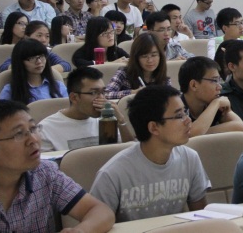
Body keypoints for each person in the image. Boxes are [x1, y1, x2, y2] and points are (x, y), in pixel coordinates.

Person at [0, 100, 115, 232]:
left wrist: (81, 231)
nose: (33, 140)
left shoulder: (44, 172)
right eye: (18, 134)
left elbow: (100, 211)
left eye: (33, 129)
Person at [90, 85, 211, 222]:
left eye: (185, 112)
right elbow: (96, 224)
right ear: (154, 127)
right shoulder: (112, 174)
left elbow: (201, 217)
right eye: (179, 116)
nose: (188, 120)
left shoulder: (190, 158)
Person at [39, 67, 134, 151]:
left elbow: (130, 152)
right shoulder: (46, 129)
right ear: (74, 98)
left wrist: (120, 120)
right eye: (93, 93)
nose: (101, 98)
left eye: (103, 92)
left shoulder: (108, 120)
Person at [178, 56, 243, 135]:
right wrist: (216, 104)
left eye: (219, 81)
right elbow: (189, 134)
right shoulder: (175, 108)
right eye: (214, 80)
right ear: (194, 85)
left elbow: (239, 126)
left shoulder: (215, 103)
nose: (219, 87)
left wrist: (200, 132)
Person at [0, 39, 68, 103]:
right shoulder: (10, 91)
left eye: (42, 56)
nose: (39, 62)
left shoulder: (58, 86)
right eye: (32, 58)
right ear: (20, 62)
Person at [105, 33, 170, 99]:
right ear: (136, 57)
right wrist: (133, 93)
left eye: (154, 55)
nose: (150, 60)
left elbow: (170, 96)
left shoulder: (163, 77)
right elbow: (106, 94)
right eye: (144, 56)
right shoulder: (124, 73)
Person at [0, 20, 71, 73]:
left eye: (47, 36)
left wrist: (43, 71)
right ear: (27, 37)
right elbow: (3, 67)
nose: (44, 40)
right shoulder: (20, 53)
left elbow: (66, 65)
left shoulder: (47, 53)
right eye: (39, 35)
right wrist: (30, 70)